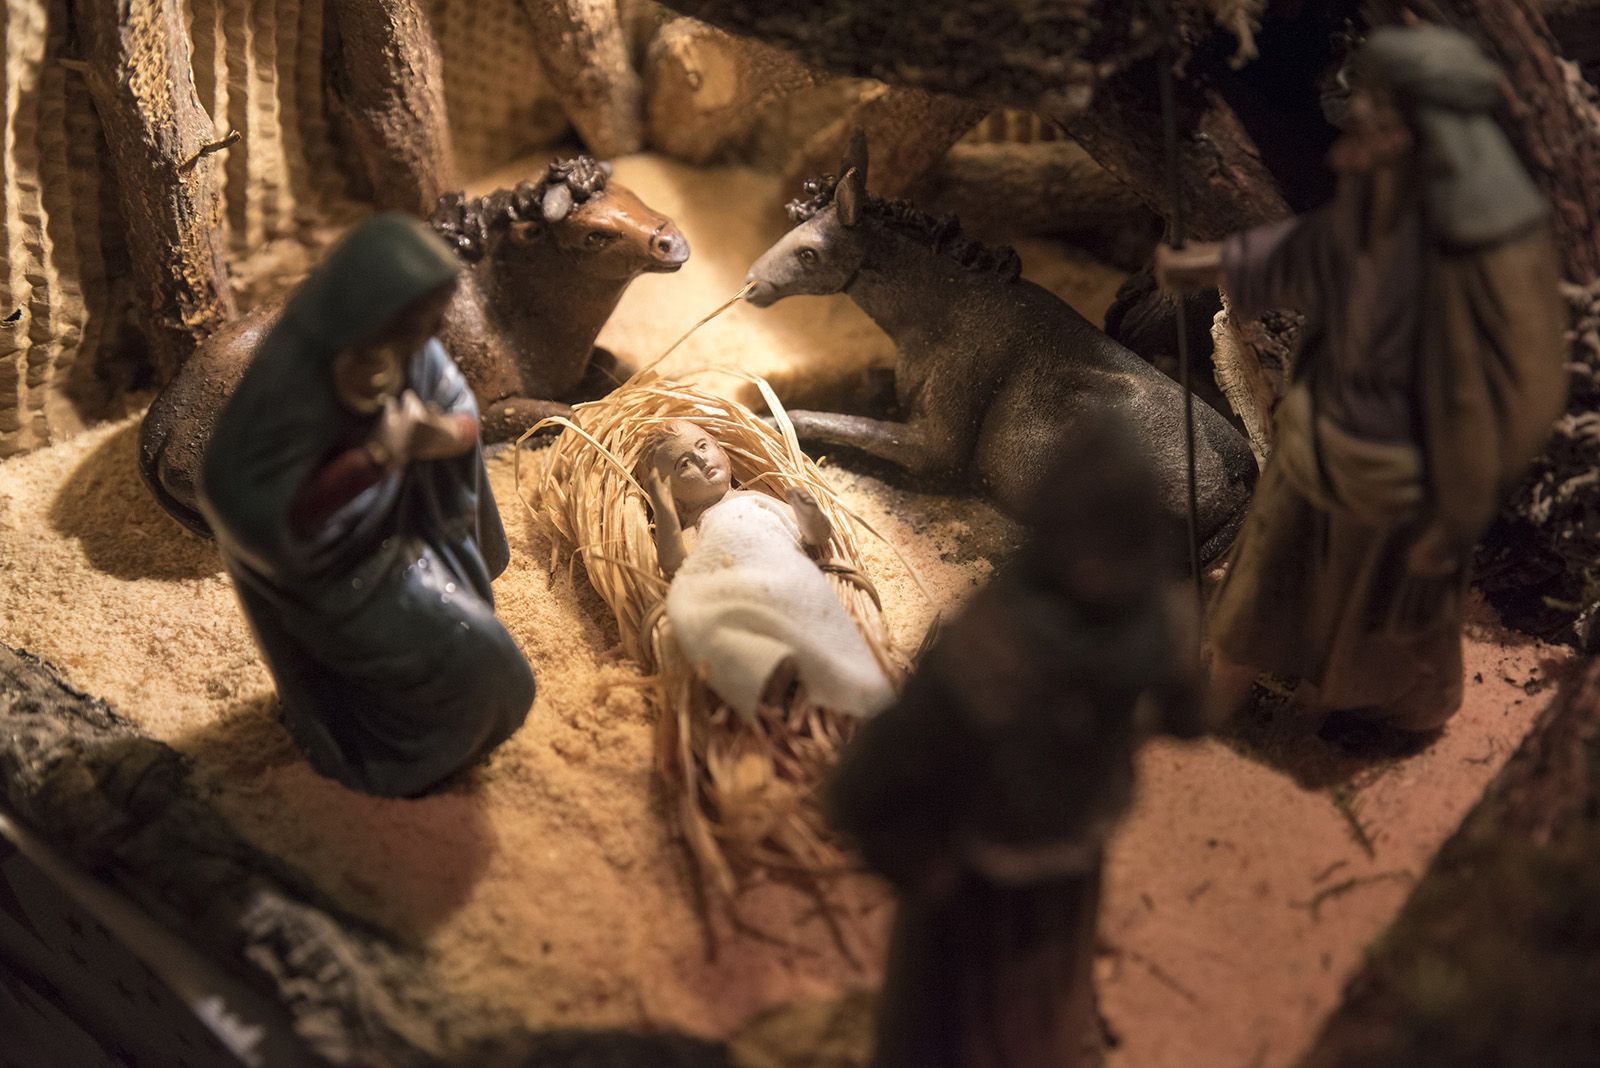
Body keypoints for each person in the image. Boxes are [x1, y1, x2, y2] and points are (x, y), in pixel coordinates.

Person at [1156, 25, 1569, 738]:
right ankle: (1227, 681)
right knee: (1266, 576)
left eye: (1378, 118)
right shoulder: (1385, 195)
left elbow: (1524, 389)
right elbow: (1317, 249)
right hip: (1319, 432)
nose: (1359, 136)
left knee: (1377, 617)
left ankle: (1379, 708)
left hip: (1401, 474)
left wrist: (1461, 500)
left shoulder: (1492, 245)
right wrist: (1213, 264)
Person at [827, 418, 1204, 1068]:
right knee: (946, 1022)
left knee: (1038, 983)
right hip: (979, 871)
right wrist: (913, 856)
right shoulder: (997, 646)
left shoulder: (1147, 624)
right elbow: (870, 784)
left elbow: (1189, 712)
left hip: (1068, 850)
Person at [199, 214, 535, 797]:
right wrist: (377, 459)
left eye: (432, 318)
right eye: (417, 319)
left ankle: (434, 738)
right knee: (483, 672)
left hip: (406, 537)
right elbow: (249, 505)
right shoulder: (289, 387)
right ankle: (391, 757)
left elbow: (457, 412)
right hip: (332, 575)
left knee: (486, 658)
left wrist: (444, 439)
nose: (429, 334)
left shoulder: (413, 351)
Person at [641, 418, 894, 718]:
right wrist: (665, 515)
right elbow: (677, 568)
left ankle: (826, 674)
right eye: (684, 465)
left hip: (784, 573)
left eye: (703, 447)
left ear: (721, 449)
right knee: (695, 621)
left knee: (805, 611)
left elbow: (814, 537)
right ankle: (769, 680)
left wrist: (808, 513)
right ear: (673, 496)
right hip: (735, 592)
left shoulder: (754, 498)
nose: (700, 460)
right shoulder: (697, 526)